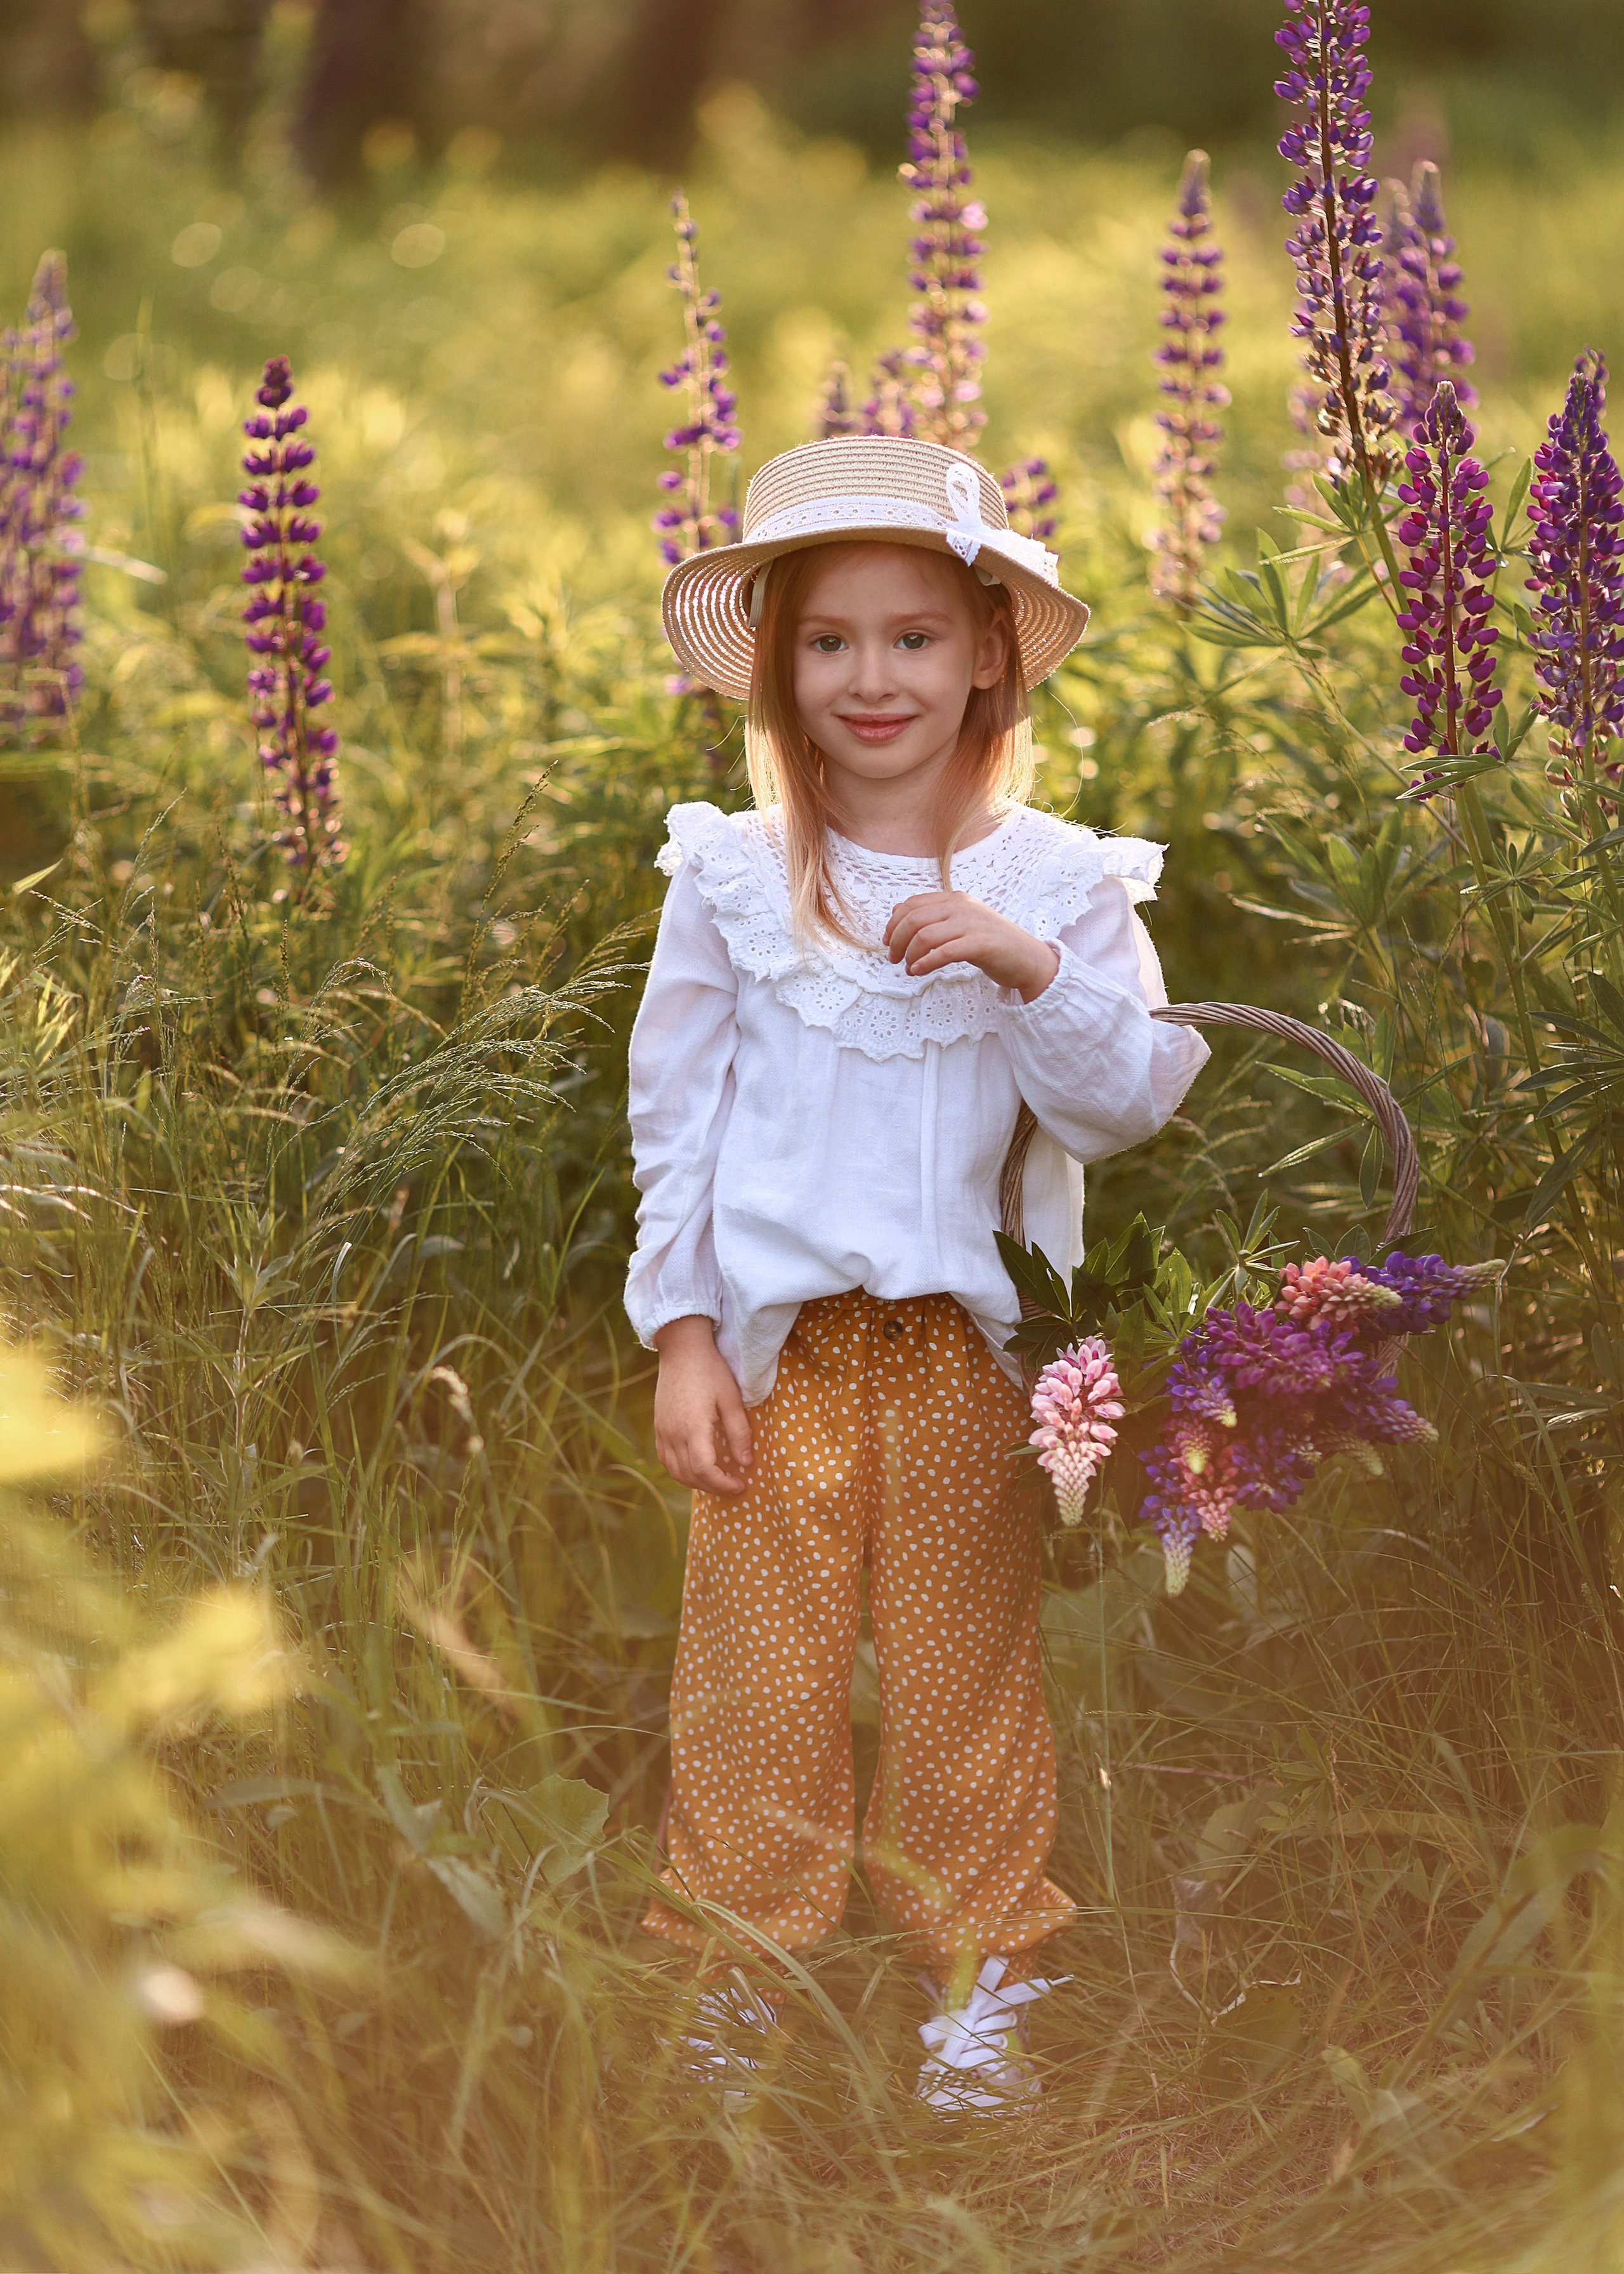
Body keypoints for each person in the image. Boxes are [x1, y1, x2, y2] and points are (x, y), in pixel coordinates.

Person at [625, 435, 1208, 2112]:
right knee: (757, 1675)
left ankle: (980, 1966)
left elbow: (1121, 1104)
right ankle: (741, 1963)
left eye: (913, 638)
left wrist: (1028, 966)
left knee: (966, 1672)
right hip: (779, 1349)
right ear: (779, 666)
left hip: (969, 1350)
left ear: (987, 656)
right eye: (829, 641)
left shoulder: (1060, 883)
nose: (870, 678)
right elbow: (677, 1121)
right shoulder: (735, 876)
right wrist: (683, 1333)